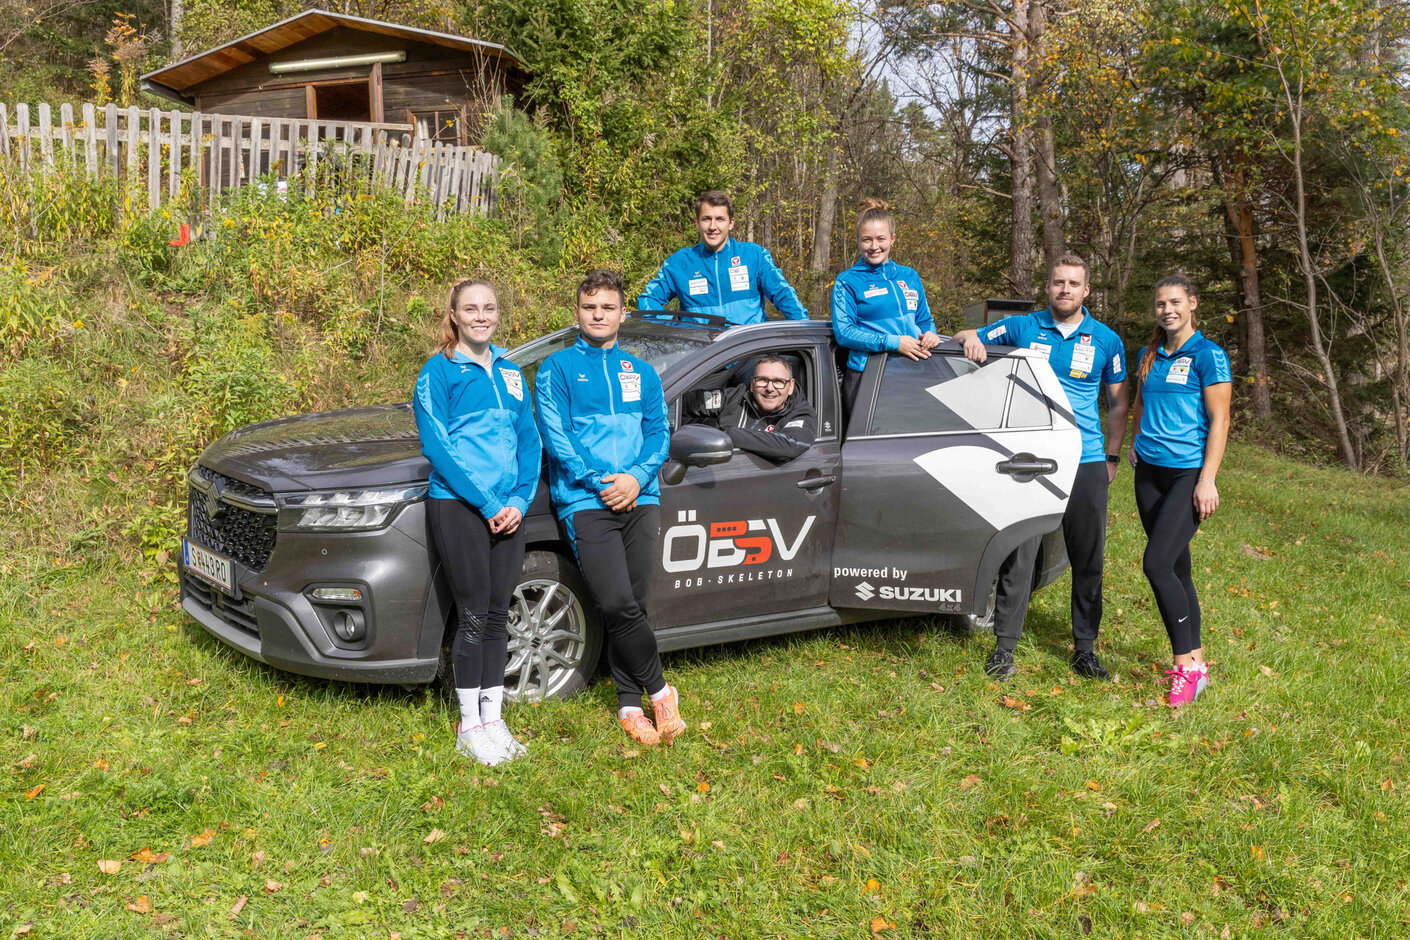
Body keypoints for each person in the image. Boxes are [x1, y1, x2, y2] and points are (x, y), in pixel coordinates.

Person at [953, 254, 1130, 681]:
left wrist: (1111, 455)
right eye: (1057, 282)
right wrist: (971, 339)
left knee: (1088, 558)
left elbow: (1120, 402)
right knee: (1022, 552)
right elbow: (965, 333)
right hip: (1032, 459)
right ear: (1047, 288)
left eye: (1073, 283)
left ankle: (1084, 650)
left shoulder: (1106, 340)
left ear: (1087, 291)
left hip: (1084, 458)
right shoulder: (1023, 327)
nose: (1064, 289)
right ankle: (1004, 649)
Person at [535, 269, 685, 746]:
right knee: (616, 602)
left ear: (624, 313)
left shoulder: (641, 371)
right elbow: (558, 438)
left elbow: (660, 433)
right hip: (586, 498)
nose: (597, 315)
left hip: (641, 496)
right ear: (576, 312)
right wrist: (602, 482)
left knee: (634, 605)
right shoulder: (556, 370)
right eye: (588, 306)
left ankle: (627, 703)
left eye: (607, 307)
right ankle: (661, 691)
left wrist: (636, 478)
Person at [413, 278, 541, 766]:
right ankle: (469, 725)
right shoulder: (439, 372)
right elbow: (437, 447)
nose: (481, 316)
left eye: (489, 307)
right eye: (471, 309)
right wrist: (487, 503)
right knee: (472, 617)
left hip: (509, 508)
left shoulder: (511, 373)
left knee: (496, 614)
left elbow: (528, 440)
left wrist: (518, 500)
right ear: (454, 315)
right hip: (460, 506)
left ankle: (494, 720)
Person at [1127, 275, 1231, 707]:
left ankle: (1185, 667)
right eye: (1160, 304)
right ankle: (1200, 663)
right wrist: (1135, 439)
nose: (1167, 310)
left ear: (1192, 303)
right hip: (1148, 473)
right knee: (1177, 567)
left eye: (1174, 302)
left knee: (1156, 564)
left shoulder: (1209, 355)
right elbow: (1139, 402)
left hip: (1187, 475)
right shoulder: (1148, 353)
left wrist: (1207, 479)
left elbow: (1221, 420)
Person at [831, 199, 941, 413]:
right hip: (867, 376)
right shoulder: (847, 281)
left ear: (892, 239)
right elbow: (844, 333)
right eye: (867, 240)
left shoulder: (909, 275)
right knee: (869, 446)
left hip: (912, 372)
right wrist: (893, 342)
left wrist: (931, 334)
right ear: (858, 241)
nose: (874, 247)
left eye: (880, 239)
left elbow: (924, 319)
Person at [637, 190, 810, 326]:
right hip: (703, 358)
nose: (713, 226)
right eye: (706, 219)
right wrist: (674, 329)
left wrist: (805, 330)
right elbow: (648, 300)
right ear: (697, 222)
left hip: (748, 353)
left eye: (720, 219)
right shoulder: (680, 262)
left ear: (731, 223)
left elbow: (783, 295)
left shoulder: (753, 256)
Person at [685, 354, 817, 462]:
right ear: (752, 383)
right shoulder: (735, 397)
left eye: (778, 382)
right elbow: (687, 401)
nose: (770, 388)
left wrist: (724, 434)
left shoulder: (801, 413)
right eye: (762, 380)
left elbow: (790, 446)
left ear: (791, 386)